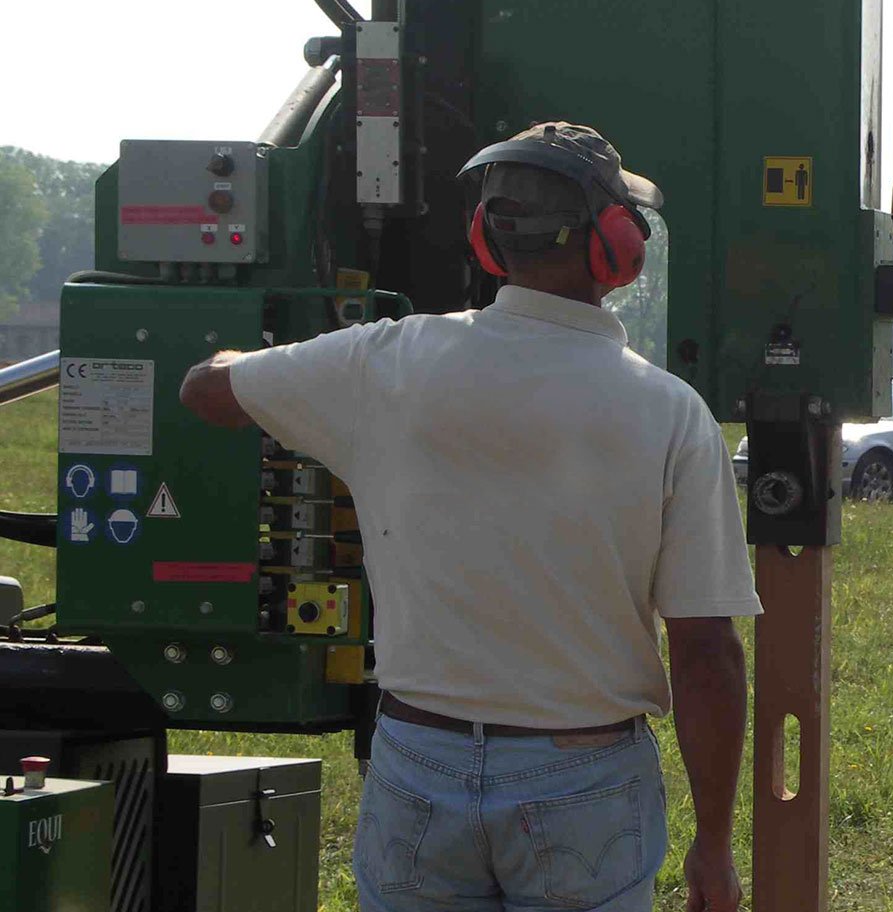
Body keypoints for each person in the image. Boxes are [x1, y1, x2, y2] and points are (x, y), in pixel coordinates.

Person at [179, 122, 758, 912]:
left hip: (419, 762)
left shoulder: (384, 362)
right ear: (617, 247)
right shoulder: (671, 415)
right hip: (583, 780)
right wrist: (714, 848)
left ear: (487, 241)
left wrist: (255, 364)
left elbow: (203, 390)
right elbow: (707, 653)